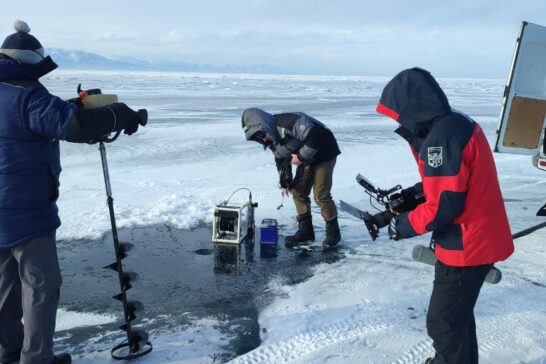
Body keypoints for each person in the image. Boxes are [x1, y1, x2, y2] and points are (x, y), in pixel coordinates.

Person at [0, 21, 143, 364]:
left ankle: (8, 353)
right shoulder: (26, 95)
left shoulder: (16, 93)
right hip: (26, 212)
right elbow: (75, 126)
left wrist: (66, 106)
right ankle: (36, 359)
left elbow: (33, 118)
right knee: (40, 288)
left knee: (4, 289)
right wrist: (121, 115)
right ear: (30, 62)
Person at [376, 67, 514, 364]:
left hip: (467, 245)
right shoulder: (453, 124)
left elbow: (442, 207)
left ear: (411, 105)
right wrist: (414, 194)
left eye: (398, 113)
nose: (399, 121)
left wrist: (402, 226)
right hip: (477, 237)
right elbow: (448, 184)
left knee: (443, 322)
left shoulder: (441, 139)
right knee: (458, 317)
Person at [241, 107, 341, 248]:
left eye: (262, 134)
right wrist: (285, 181)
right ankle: (306, 232)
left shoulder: (288, 122)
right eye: (260, 139)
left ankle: (333, 233)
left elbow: (316, 135)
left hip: (325, 152)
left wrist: (300, 157)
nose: (264, 139)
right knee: (298, 192)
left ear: (264, 126)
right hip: (307, 158)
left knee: (320, 195)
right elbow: (281, 160)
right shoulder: (271, 140)